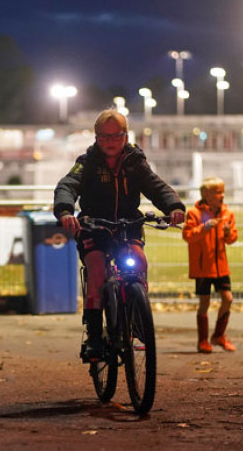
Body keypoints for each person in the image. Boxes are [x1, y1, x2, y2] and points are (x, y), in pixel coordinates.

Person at [53, 109, 185, 361]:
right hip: (95, 227)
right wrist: (65, 211)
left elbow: (156, 186)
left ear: (126, 136)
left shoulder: (135, 161)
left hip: (128, 225)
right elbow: (68, 185)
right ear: (96, 137)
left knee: (139, 261)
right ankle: (94, 337)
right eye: (105, 136)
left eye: (117, 135)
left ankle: (137, 318)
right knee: (97, 271)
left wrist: (174, 207)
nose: (111, 141)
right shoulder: (87, 162)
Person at [182, 176, 238, 354]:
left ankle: (219, 335)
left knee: (227, 299)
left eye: (222, 192)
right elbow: (188, 235)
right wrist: (204, 228)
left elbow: (232, 238)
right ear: (206, 195)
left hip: (221, 266)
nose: (222, 195)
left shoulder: (227, 213)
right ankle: (203, 340)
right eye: (218, 192)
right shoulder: (194, 213)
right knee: (204, 302)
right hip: (203, 267)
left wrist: (229, 234)